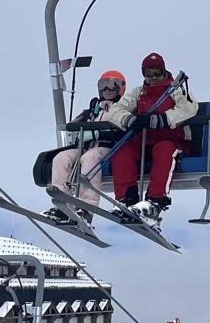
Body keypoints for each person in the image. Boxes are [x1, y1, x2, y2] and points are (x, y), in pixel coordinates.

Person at [106, 52, 199, 223]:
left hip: (171, 139)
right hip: (144, 141)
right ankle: (126, 199)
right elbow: (114, 111)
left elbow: (189, 108)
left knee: (164, 150)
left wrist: (163, 119)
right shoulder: (139, 92)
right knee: (122, 150)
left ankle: (155, 201)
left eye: (156, 73)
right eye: (148, 73)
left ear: (163, 71)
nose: (152, 78)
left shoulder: (176, 89)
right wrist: (129, 119)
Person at [44, 70, 128, 223]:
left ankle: (87, 207)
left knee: (90, 158)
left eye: (112, 85)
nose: (107, 89)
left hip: (108, 148)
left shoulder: (122, 109)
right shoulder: (92, 109)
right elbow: (74, 125)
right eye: (103, 85)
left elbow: (123, 129)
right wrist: (78, 130)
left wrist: (98, 133)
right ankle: (62, 203)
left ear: (120, 88)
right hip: (86, 146)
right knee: (61, 158)